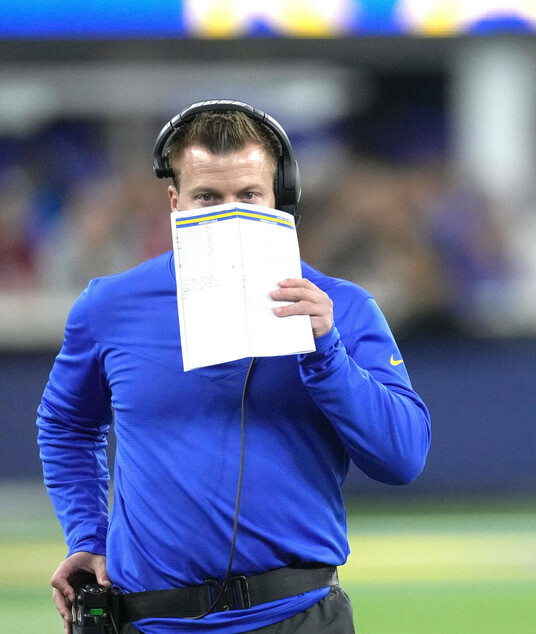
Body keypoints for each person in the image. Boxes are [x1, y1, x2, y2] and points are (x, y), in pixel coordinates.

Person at [37, 100, 432, 633]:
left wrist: (326, 353)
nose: (229, 213)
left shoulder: (341, 308)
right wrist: (87, 534)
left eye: (248, 195)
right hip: (153, 620)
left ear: (279, 200)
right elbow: (65, 424)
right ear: (175, 202)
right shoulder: (109, 305)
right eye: (207, 198)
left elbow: (402, 458)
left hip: (297, 616)